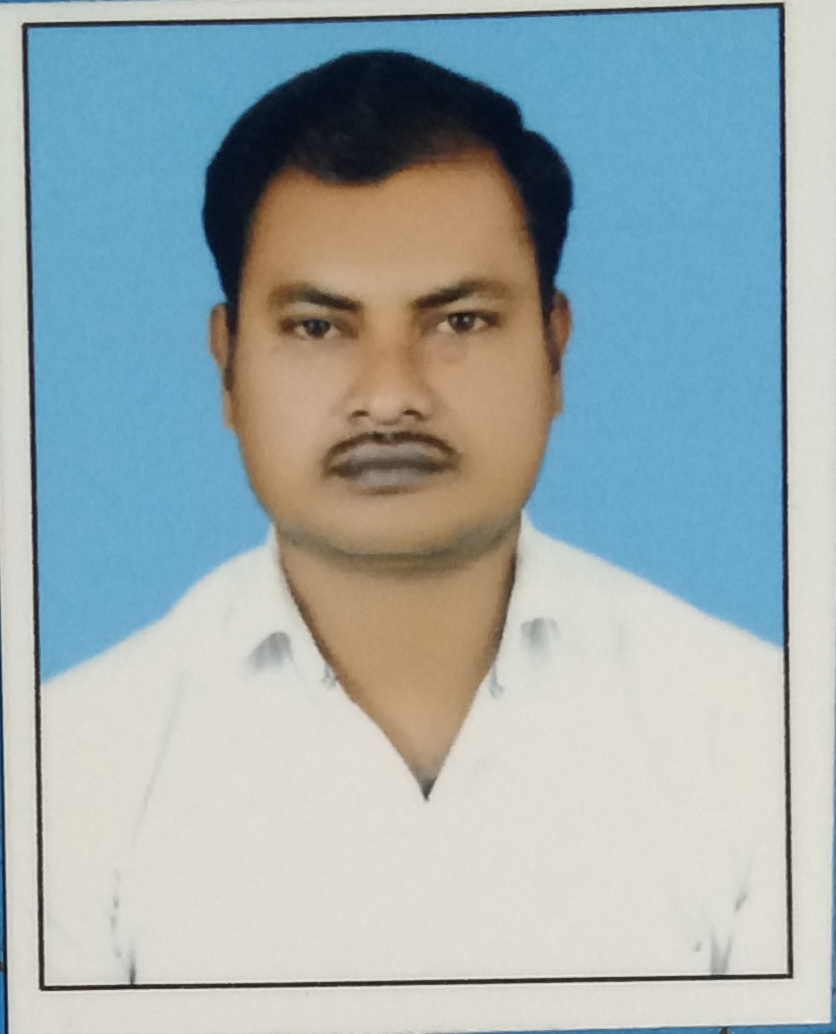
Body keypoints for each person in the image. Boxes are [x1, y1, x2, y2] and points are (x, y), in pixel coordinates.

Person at [41, 50, 787, 987]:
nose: (390, 396)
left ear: (555, 351)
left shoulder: (763, 732)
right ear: (226, 364)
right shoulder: (68, 765)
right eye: (318, 326)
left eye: (459, 321)